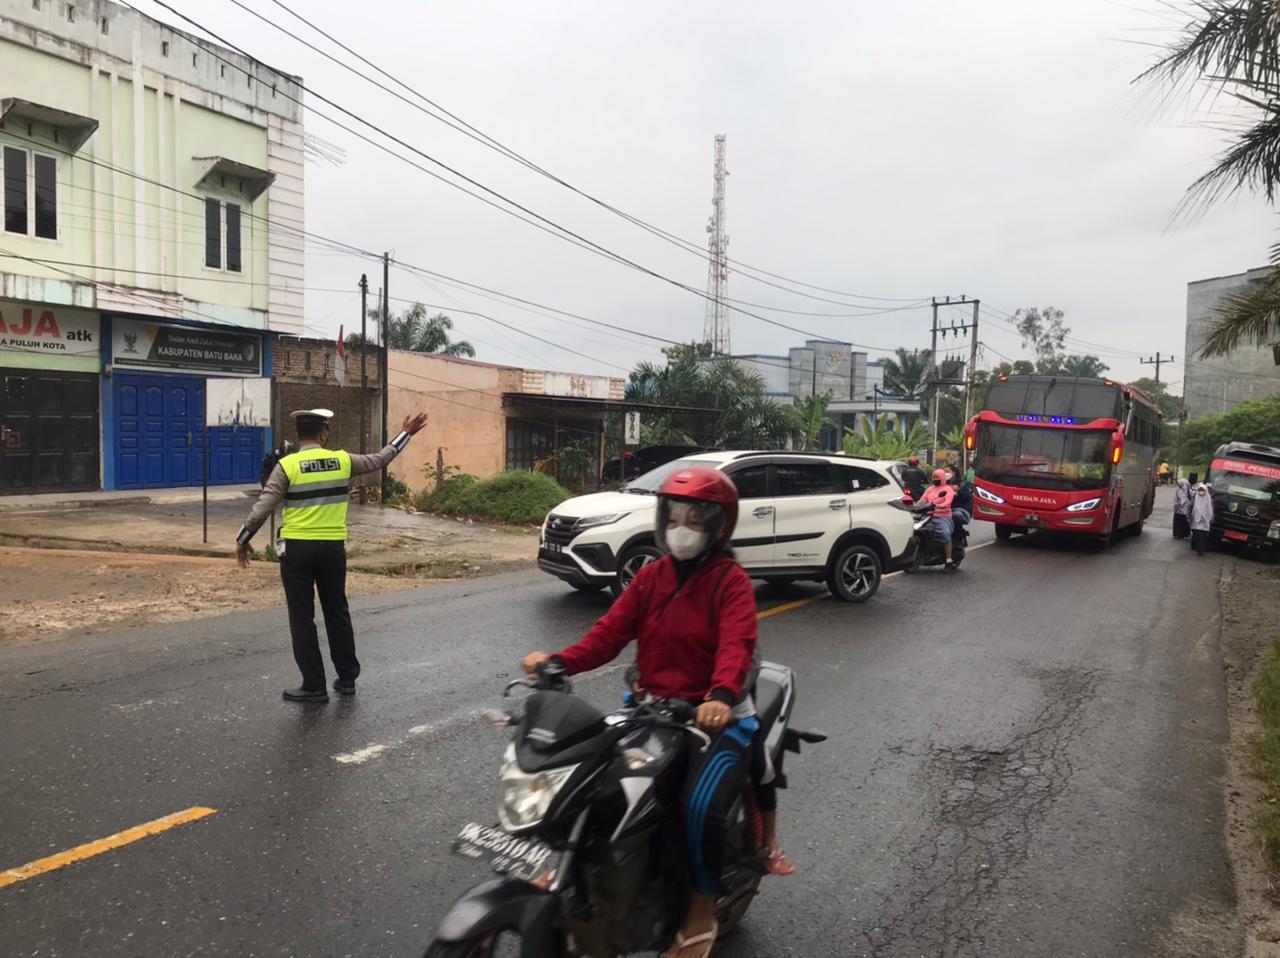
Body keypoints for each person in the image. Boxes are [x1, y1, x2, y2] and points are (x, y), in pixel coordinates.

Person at [522, 466, 778, 958]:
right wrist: (559, 662)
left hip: (715, 717)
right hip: (653, 709)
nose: (682, 528)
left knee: (700, 806)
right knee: (588, 780)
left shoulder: (731, 582)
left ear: (717, 526)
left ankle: (701, 912)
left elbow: (737, 645)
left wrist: (720, 698)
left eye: (695, 520)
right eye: (674, 517)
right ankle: (591, 877)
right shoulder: (652, 576)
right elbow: (610, 633)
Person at [236, 408, 430, 702]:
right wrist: (406, 434)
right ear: (324, 434)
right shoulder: (342, 460)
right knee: (337, 610)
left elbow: (262, 508)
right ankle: (347, 677)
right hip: (332, 549)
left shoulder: (287, 466)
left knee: (302, 617)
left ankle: (314, 686)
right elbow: (381, 458)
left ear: (299, 435)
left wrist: (243, 540)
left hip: (298, 550)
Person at [921, 468, 958, 570]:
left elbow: (948, 501)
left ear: (942, 478)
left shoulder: (948, 489)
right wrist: (914, 505)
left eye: (937, 477)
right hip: (928, 516)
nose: (935, 479)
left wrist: (939, 505)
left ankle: (948, 559)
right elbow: (923, 500)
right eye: (933, 477)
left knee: (945, 535)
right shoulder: (930, 489)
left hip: (942, 516)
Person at [1190, 482, 1215, 556]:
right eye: (1200, 490)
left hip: (1205, 521)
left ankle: (1202, 548)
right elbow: (1193, 508)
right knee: (1198, 536)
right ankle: (1199, 549)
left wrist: (1209, 518)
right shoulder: (1196, 497)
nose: (1201, 492)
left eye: (1202, 490)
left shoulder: (1208, 498)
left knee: (1204, 537)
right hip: (1197, 520)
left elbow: (1210, 510)